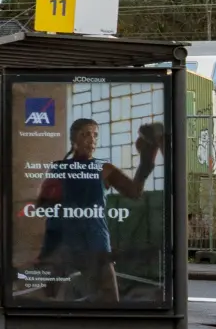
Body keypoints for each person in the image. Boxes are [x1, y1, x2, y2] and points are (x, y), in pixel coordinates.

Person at [35, 117, 158, 301]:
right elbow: (41, 205)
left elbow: (134, 192)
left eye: (95, 135)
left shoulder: (104, 169)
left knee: (110, 298)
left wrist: (146, 161)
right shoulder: (59, 168)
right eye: (85, 134)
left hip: (96, 242)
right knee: (51, 296)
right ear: (73, 139)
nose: (91, 139)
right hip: (64, 243)